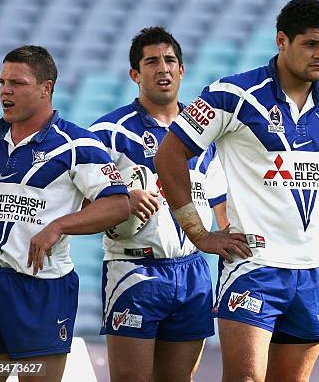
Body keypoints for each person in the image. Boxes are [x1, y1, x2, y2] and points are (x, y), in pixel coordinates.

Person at [154, 0, 319, 381]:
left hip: (317, 269)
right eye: (310, 44)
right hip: (254, 264)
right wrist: (197, 233)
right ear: (282, 41)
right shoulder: (233, 94)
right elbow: (169, 155)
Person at [88, 27, 228, 382]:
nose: (162, 68)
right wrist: (123, 199)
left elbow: (221, 206)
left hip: (193, 271)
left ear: (182, 70)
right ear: (135, 74)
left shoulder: (204, 134)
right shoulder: (108, 132)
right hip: (134, 270)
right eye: (151, 61)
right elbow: (83, 199)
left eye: (169, 60)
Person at [0, 45, 130, 381]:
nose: (5, 90)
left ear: (45, 88)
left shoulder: (76, 144)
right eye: (2, 81)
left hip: (41, 289)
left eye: (17, 83)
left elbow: (118, 204)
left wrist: (59, 226)